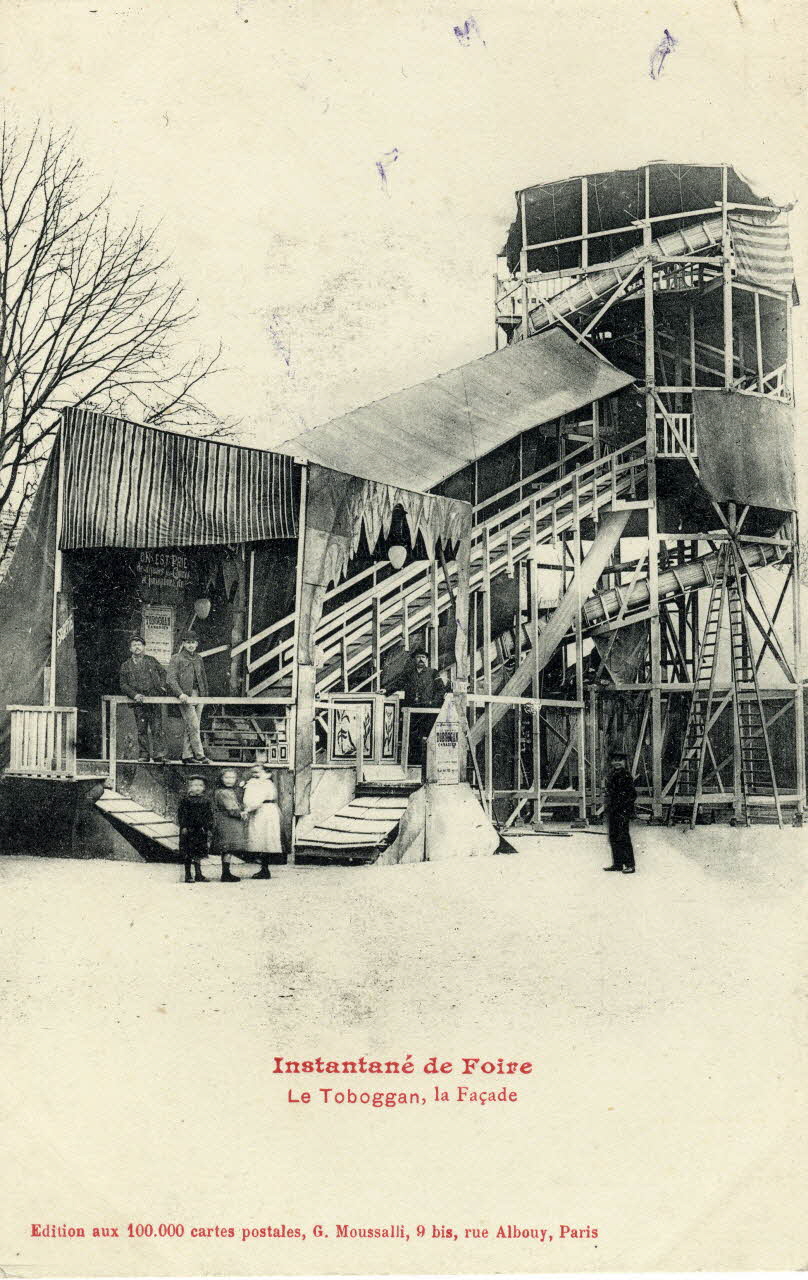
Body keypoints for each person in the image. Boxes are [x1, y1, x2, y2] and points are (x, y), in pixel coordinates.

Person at [385, 648, 451, 766]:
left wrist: (433, 702)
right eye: (418, 657)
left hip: (427, 711)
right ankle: (412, 763)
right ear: (414, 659)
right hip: (411, 710)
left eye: (423, 657)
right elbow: (397, 683)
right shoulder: (408, 673)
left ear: (426, 660)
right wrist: (386, 690)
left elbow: (440, 690)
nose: (421, 659)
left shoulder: (433, 673)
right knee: (412, 735)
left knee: (426, 735)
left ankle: (425, 764)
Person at [119, 637, 167, 762]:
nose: (137, 647)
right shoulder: (126, 665)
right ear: (130, 648)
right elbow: (123, 684)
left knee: (157, 728)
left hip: (153, 699)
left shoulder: (151, 661)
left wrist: (161, 687)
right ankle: (144, 755)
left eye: (139, 644)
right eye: (134, 645)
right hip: (138, 701)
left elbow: (163, 673)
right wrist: (134, 695)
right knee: (141, 729)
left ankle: (159, 754)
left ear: (144, 647)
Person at [166, 633, 210, 763]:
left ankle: (187, 755)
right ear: (184, 644)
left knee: (191, 726)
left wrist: (205, 696)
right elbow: (170, 679)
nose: (191, 645)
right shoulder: (176, 658)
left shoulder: (198, 658)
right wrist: (180, 693)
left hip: (199, 695)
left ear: (197, 644)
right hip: (186, 696)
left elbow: (203, 678)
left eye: (193, 642)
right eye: (188, 642)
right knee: (194, 725)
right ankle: (200, 755)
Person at [241, 762, 282, 879]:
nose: (255, 774)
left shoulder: (265, 783)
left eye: (258, 772)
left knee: (265, 838)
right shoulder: (254, 783)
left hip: (265, 811)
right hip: (258, 811)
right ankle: (263, 868)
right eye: (253, 772)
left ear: (265, 772)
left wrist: (247, 810)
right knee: (259, 838)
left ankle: (265, 869)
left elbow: (257, 800)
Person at [603, 753, 637, 874]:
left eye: (620, 761)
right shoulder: (612, 775)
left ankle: (630, 865)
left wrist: (624, 809)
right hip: (613, 810)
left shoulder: (626, 776)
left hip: (622, 811)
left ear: (625, 762)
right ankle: (617, 864)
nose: (617, 763)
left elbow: (632, 795)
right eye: (614, 760)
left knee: (623, 837)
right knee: (613, 836)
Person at [177, 775, 215, 883]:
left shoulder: (205, 800)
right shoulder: (186, 800)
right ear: (189, 787)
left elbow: (209, 814)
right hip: (189, 830)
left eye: (200, 785)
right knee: (188, 853)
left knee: (199, 852)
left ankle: (199, 874)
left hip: (200, 830)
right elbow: (181, 814)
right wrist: (183, 826)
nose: (197, 788)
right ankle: (188, 875)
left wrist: (208, 826)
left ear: (204, 787)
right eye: (194, 785)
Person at [213, 769, 247, 884]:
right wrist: (241, 813)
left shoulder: (229, 791)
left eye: (232, 778)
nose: (229, 780)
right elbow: (231, 809)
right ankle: (225, 873)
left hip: (227, 821)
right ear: (221, 778)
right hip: (227, 821)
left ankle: (226, 872)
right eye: (226, 778)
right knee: (227, 847)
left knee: (228, 848)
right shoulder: (223, 792)